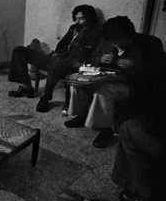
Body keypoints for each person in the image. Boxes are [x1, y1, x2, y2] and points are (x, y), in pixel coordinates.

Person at [64, 16, 166, 148]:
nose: (114, 45)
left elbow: (160, 70)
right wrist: (101, 60)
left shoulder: (150, 43)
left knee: (104, 90)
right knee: (78, 81)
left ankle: (107, 129)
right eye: (112, 42)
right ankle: (84, 114)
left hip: (135, 84)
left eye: (116, 41)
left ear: (128, 34)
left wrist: (134, 65)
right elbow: (92, 58)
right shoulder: (108, 40)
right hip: (109, 76)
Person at [8, 4, 102, 112]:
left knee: (55, 64)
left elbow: (87, 55)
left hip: (73, 65)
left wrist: (66, 60)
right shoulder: (74, 28)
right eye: (76, 18)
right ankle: (27, 87)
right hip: (58, 58)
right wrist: (57, 54)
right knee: (19, 51)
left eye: (81, 18)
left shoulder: (96, 32)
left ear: (90, 18)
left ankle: (45, 98)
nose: (78, 21)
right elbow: (61, 45)